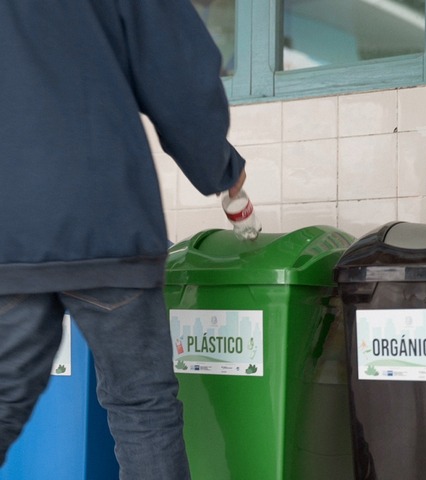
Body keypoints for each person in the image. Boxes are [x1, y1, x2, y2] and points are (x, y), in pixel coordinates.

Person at [0, 1, 247, 479]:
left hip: (11, 231)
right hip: (106, 216)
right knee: (142, 405)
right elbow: (180, 77)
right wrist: (220, 168)